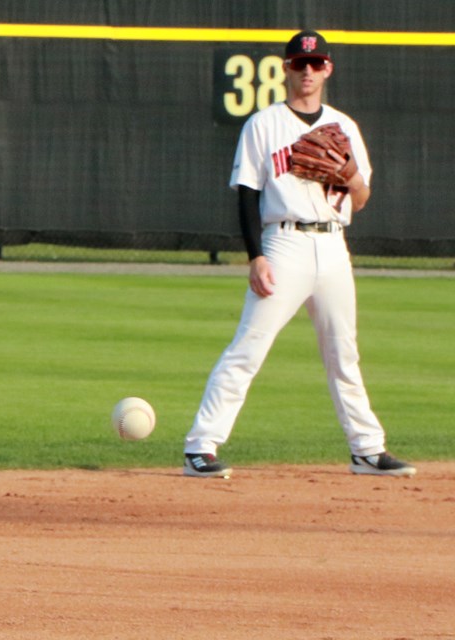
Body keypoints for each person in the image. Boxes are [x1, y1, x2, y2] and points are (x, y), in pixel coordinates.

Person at [182, 30, 415, 479]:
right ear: (286, 68)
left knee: (343, 353)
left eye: (315, 63)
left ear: (327, 68)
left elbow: (361, 198)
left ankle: (366, 449)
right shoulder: (263, 124)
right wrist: (256, 256)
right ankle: (200, 446)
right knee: (249, 346)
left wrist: (348, 174)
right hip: (283, 242)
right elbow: (248, 194)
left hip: (332, 246)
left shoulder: (345, 127)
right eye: (298, 63)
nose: (307, 71)